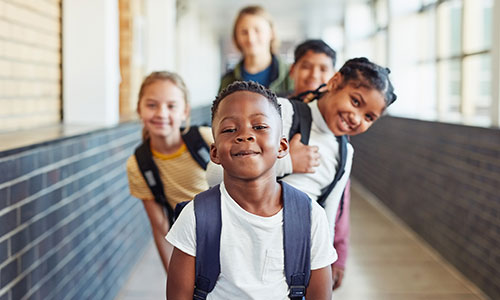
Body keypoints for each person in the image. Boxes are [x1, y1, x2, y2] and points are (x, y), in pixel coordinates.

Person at [206, 57, 397, 290]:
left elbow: (327, 217)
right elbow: (215, 174)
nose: (356, 118)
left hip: (291, 265)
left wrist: (327, 265)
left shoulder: (345, 153)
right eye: (356, 101)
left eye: (369, 117)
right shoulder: (281, 113)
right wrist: (288, 162)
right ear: (335, 82)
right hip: (237, 250)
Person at [167, 81, 336, 300]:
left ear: (282, 147)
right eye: (229, 129)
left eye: (259, 127)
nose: (245, 135)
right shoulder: (197, 217)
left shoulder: (310, 217)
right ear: (215, 152)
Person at [126, 71, 213, 273]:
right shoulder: (139, 164)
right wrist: (174, 284)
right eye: (152, 105)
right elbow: (161, 227)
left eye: (171, 106)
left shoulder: (205, 139)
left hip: (232, 233)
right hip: (192, 245)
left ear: (185, 112)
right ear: (139, 109)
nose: (161, 113)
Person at [289, 39, 348, 290]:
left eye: (323, 68)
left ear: (333, 77)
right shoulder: (274, 111)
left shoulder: (336, 127)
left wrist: (339, 251)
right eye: (306, 66)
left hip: (314, 241)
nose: (314, 74)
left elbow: (340, 196)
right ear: (292, 70)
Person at [218, 5, 293, 96]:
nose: (251, 39)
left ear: (271, 33)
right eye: (244, 32)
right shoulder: (228, 81)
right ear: (236, 37)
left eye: (257, 30)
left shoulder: (292, 75)